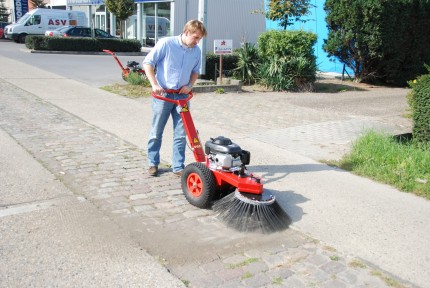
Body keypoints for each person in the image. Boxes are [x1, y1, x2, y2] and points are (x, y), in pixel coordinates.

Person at [143, 20, 207, 177]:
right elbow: (148, 63)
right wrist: (154, 84)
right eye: (195, 37)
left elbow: (195, 71)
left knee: (181, 133)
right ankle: (153, 163)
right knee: (156, 131)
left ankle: (178, 166)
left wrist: (190, 85)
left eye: (199, 39)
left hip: (182, 97)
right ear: (186, 33)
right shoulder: (166, 43)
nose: (197, 41)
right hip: (163, 95)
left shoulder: (196, 50)